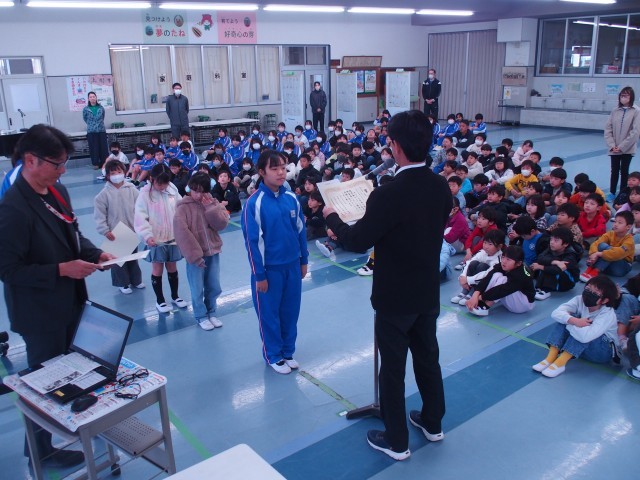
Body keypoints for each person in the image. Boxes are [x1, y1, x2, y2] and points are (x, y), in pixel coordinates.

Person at [323, 110, 452, 461]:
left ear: (394, 146)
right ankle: (433, 423)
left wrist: (333, 217)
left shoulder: (388, 194)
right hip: (426, 289)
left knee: (392, 369)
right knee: (428, 358)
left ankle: (396, 441)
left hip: (395, 295)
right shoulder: (440, 185)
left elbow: (357, 241)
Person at [0, 124, 115, 467]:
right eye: (57, 164)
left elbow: (72, 235)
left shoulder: (57, 191)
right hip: (39, 313)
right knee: (43, 382)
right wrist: (62, 270)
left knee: (73, 370)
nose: (63, 170)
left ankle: (72, 423)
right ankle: (40, 450)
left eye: (65, 163)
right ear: (30, 160)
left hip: (70, 302)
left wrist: (96, 254)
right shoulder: (13, 209)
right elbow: (8, 270)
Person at [241, 150, 309, 375]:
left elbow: (300, 231)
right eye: (275, 168)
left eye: (283, 168)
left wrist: (303, 260)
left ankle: (288, 351)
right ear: (262, 172)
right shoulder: (254, 203)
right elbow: (253, 243)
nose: (281, 173)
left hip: (292, 266)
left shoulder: (291, 199)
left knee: (291, 311)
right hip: (269, 271)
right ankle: (273, 355)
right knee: (269, 315)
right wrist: (259, 275)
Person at [174, 173, 230, 331]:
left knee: (214, 286)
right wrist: (195, 256)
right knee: (197, 288)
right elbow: (182, 233)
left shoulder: (212, 202)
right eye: (195, 191)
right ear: (190, 189)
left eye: (202, 191)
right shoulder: (183, 207)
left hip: (213, 252)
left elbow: (221, 224)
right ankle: (201, 316)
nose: (198, 195)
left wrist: (210, 207)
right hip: (195, 256)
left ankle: (211, 312)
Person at [532, 276, 618, 378]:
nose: (589, 293)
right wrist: (574, 321)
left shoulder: (607, 313)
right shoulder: (579, 299)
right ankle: (550, 358)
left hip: (602, 351)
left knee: (580, 326)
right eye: (588, 288)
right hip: (580, 350)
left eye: (595, 293)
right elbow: (555, 313)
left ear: (604, 300)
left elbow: (586, 337)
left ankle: (560, 363)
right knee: (568, 318)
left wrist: (571, 322)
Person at [134, 163, 188, 313]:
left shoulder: (172, 189)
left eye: (165, 183)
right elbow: (140, 218)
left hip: (172, 237)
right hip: (155, 239)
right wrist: (147, 235)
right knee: (157, 268)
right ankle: (160, 301)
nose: (163, 187)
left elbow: (180, 207)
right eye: (159, 184)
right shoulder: (144, 194)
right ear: (152, 179)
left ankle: (175, 296)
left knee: (172, 267)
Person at [94, 159, 144, 295]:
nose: (116, 175)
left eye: (119, 171)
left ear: (124, 172)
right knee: (117, 259)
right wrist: (105, 230)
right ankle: (122, 283)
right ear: (107, 176)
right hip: (115, 232)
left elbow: (140, 206)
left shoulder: (131, 189)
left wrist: (141, 224)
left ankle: (136, 280)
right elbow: (99, 216)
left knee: (132, 257)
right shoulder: (103, 195)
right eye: (113, 173)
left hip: (131, 229)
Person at [465, 245, 536, 317]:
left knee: (503, 280)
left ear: (518, 263)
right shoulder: (504, 265)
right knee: (496, 275)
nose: (504, 261)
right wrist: (475, 294)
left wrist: (479, 297)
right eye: (503, 257)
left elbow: (502, 290)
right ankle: (481, 301)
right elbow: (488, 277)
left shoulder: (520, 275)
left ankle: (485, 306)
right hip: (514, 297)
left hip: (523, 304)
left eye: (508, 259)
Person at [604, 86, 640, 202]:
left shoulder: (636, 111)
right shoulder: (615, 110)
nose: (623, 97)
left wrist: (622, 147)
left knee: (624, 171)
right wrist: (612, 145)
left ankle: (623, 194)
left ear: (631, 97)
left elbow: (635, 132)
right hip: (614, 148)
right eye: (622, 95)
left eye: (626, 95)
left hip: (627, 148)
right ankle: (612, 192)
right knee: (614, 170)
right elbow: (608, 129)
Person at [581, 211, 634, 282]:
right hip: (608, 264)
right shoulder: (610, 234)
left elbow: (618, 253)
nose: (616, 224)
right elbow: (596, 243)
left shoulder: (629, 240)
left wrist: (599, 254)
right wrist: (593, 253)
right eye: (615, 221)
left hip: (621, 267)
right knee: (601, 245)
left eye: (620, 223)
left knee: (609, 250)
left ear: (628, 227)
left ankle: (595, 270)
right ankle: (591, 269)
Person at [82, 91, 108, 170]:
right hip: (91, 131)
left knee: (103, 148)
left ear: (96, 98)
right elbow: (85, 118)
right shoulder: (86, 109)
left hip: (101, 130)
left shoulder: (101, 108)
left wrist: (98, 125)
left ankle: (104, 163)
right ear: (88, 99)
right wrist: (92, 125)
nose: (92, 98)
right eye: (90, 97)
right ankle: (95, 163)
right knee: (94, 148)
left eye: (94, 96)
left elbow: (103, 117)